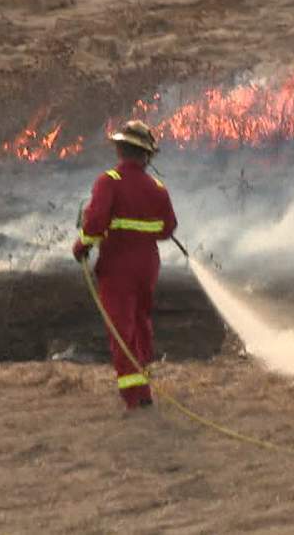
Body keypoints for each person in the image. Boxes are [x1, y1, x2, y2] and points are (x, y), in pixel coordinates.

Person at [73, 120, 178, 410]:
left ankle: (134, 395)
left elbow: (95, 224)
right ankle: (142, 385)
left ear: (120, 150)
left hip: (118, 264)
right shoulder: (158, 188)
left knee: (121, 328)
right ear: (147, 155)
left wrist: (81, 245)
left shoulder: (109, 181)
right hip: (147, 266)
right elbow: (168, 229)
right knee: (141, 324)